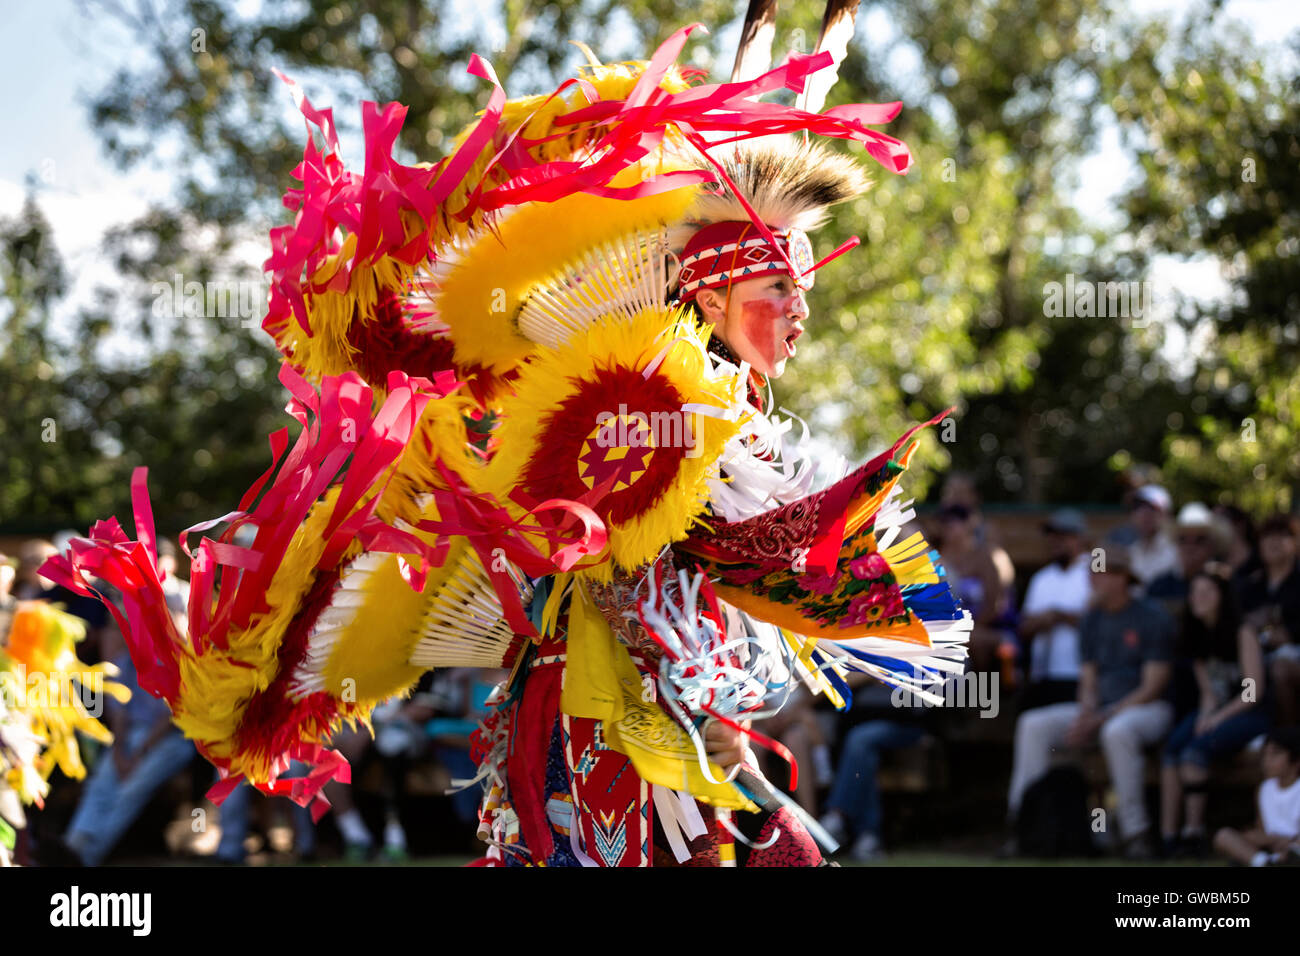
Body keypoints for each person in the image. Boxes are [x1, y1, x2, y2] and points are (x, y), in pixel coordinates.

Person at [1006, 548, 1174, 858]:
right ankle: (1022, 824)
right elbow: (1088, 681)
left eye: (1101, 572)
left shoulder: (1152, 618)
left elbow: (1152, 687)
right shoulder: (1091, 621)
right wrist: (1086, 714)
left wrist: (1101, 717)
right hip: (1102, 712)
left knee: (1118, 731)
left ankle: (1136, 834)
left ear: (1122, 578)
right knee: (1033, 724)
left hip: (1149, 710)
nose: (1092, 579)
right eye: (1092, 572)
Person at [1159, 566, 1270, 858]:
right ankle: (1168, 837)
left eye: (1207, 592)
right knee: (1172, 748)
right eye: (1195, 592)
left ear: (1222, 596)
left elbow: (1253, 692)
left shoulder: (1241, 631)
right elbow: (1208, 691)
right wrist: (1206, 716)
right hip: (1218, 710)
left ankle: (1193, 834)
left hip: (1250, 714)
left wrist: (1217, 719)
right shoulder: (1195, 632)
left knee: (1194, 752)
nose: (1199, 598)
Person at [1016, 508, 1092, 710]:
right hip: (1042, 675)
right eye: (1051, 535)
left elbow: (1102, 619)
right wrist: (1041, 622)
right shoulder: (1041, 579)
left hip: (1081, 674)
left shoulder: (1094, 571)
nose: (1055, 541)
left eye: (1063, 535)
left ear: (1080, 538)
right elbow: (1023, 627)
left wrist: (1060, 616)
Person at [1238, 513, 1300, 727]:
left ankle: (1288, 740)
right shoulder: (1249, 587)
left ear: (1295, 542)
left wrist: (1289, 634)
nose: (1273, 541)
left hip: (1288, 662)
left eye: (1282, 535)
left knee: (1279, 670)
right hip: (1253, 665)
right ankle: (1246, 722)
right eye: (1267, 536)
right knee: (1246, 682)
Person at [1212, 727, 1300, 866]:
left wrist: (1288, 844)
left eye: (1275, 755)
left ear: (1296, 761)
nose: (1266, 761)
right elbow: (1262, 831)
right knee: (1224, 836)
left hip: (1293, 848)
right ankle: (1264, 863)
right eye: (1265, 755)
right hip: (1273, 848)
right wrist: (1273, 840)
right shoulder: (1265, 789)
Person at [1126, 485, 1179, 587]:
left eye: (1152, 508)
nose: (1144, 513)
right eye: (1137, 507)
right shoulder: (1131, 552)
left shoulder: (1178, 550)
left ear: (1166, 514)